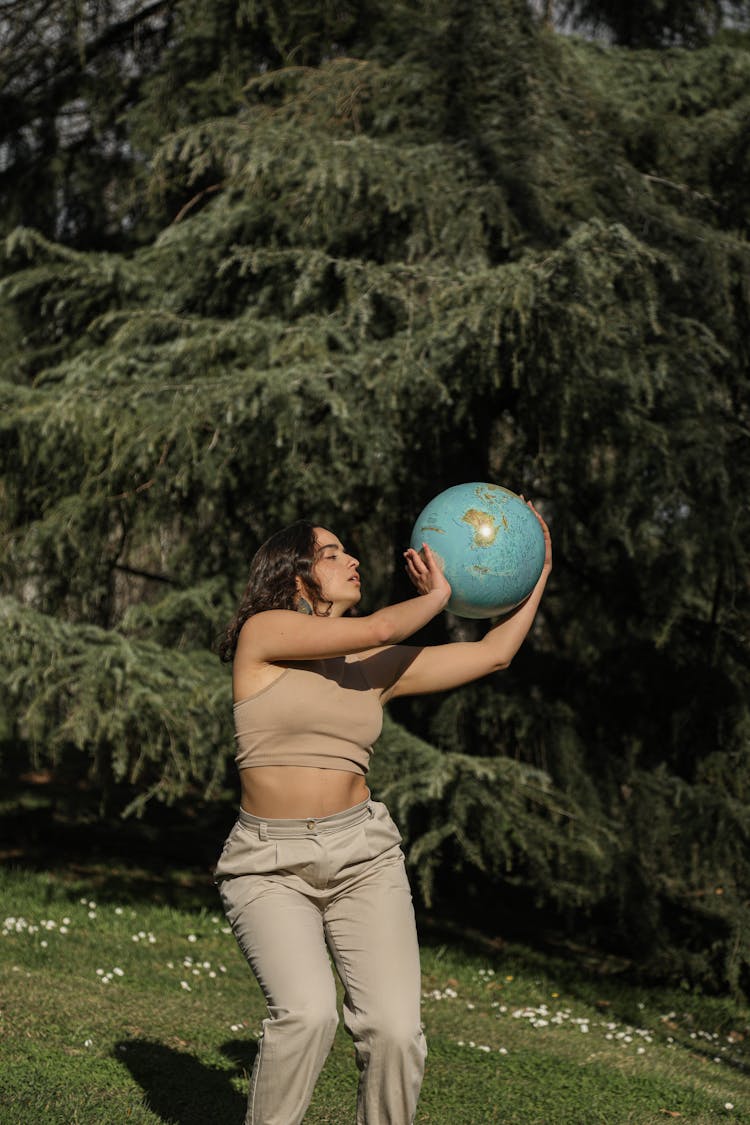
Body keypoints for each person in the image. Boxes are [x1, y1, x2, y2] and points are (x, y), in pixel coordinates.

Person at [214, 505, 552, 1125]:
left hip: (363, 855)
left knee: (396, 1031)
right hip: (269, 864)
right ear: (295, 574)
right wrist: (440, 597)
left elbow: (494, 655)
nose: (353, 561)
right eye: (333, 553)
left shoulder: (371, 671)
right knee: (307, 1015)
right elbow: (377, 628)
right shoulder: (265, 634)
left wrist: (536, 577)